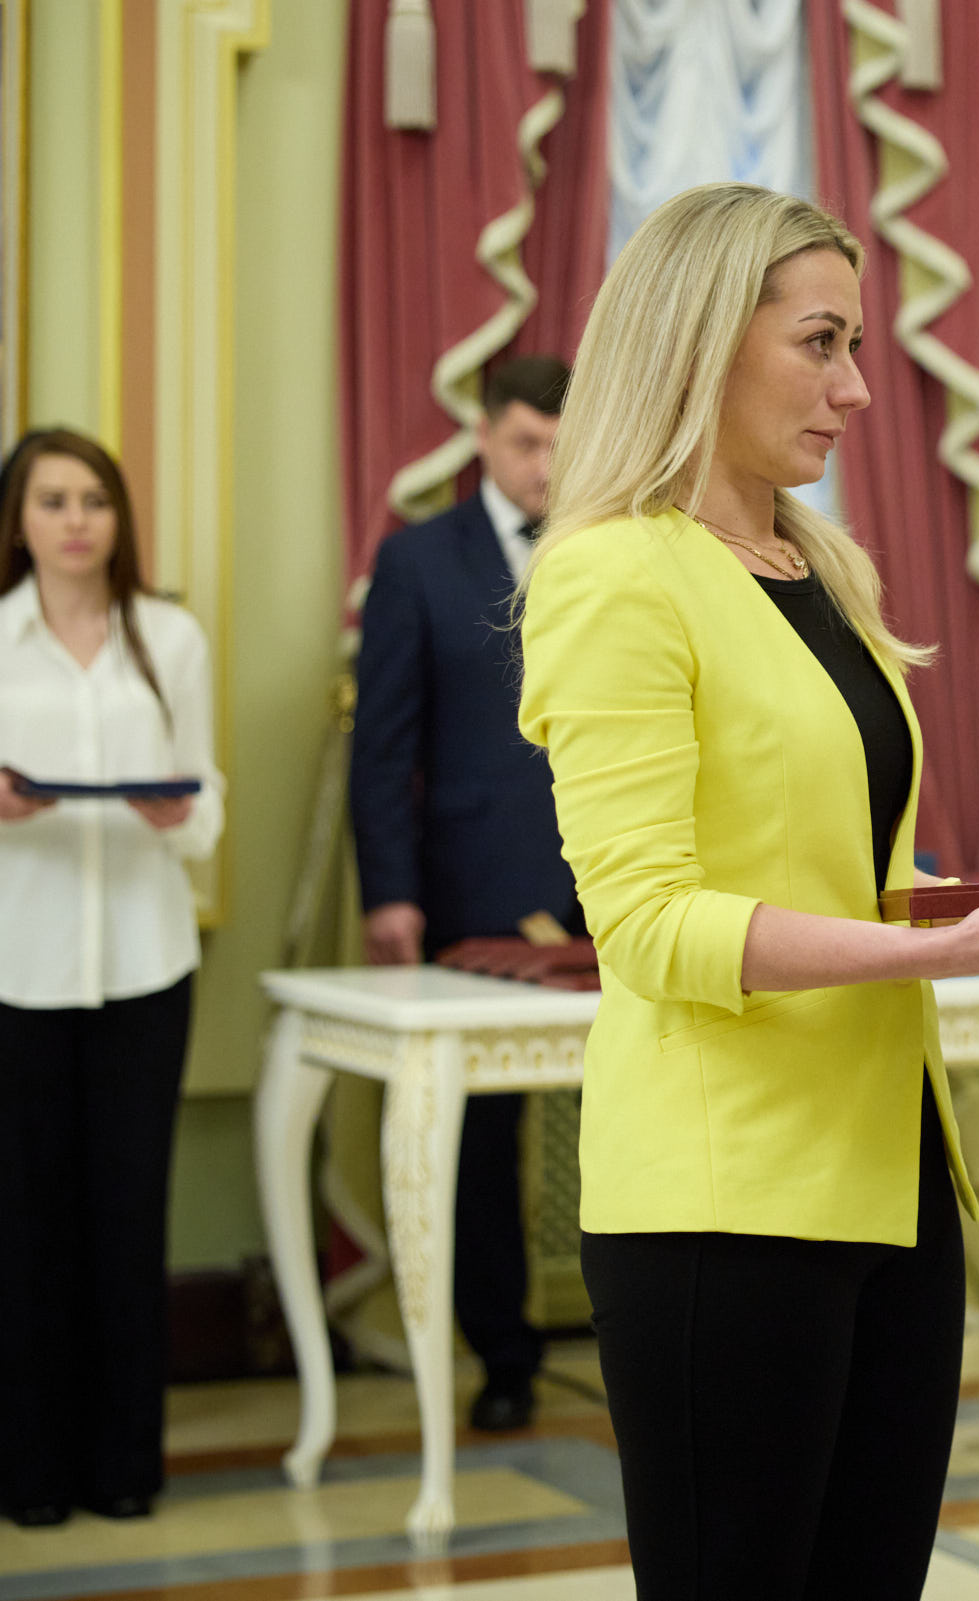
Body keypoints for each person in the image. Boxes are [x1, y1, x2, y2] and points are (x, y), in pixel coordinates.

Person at [516, 182, 979, 1598]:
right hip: (725, 1199)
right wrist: (940, 955)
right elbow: (648, 924)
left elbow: (834, 861)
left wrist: (961, 903)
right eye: (821, 342)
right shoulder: (613, 577)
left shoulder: (822, 567)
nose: (856, 387)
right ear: (699, 338)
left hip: (891, 1177)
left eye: (855, 345)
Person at [349, 354, 582, 1433]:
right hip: (477, 887)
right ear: (484, 437)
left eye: (564, 446)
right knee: (483, 1144)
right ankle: (503, 1353)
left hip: (620, 878)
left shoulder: (618, 543)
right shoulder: (418, 560)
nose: (546, 467)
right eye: (529, 443)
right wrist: (390, 891)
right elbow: (383, 745)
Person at [0, 429, 224, 1528]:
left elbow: (209, 797)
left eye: (93, 498)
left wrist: (182, 814)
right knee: (25, 1224)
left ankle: (126, 1464)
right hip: (18, 967)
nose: (76, 519)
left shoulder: (168, 637)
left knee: (129, 1218)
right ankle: (30, 1472)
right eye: (53, 499)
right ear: (20, 518)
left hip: (145, 962)